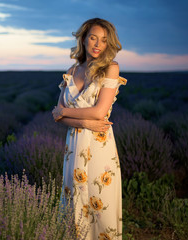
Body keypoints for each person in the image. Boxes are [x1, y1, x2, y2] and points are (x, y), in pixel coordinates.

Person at [52, 18, 127, 239]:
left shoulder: (111, 68)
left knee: (100, 204)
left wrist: (65, 113)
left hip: (99, 147)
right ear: (83, 39)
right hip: (73, 147)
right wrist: (84, 122)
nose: (97, 44)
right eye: (93, 38)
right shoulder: (72, 70)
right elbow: (59, 115)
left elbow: (98, 113)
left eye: (104, 40)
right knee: (74, 201)